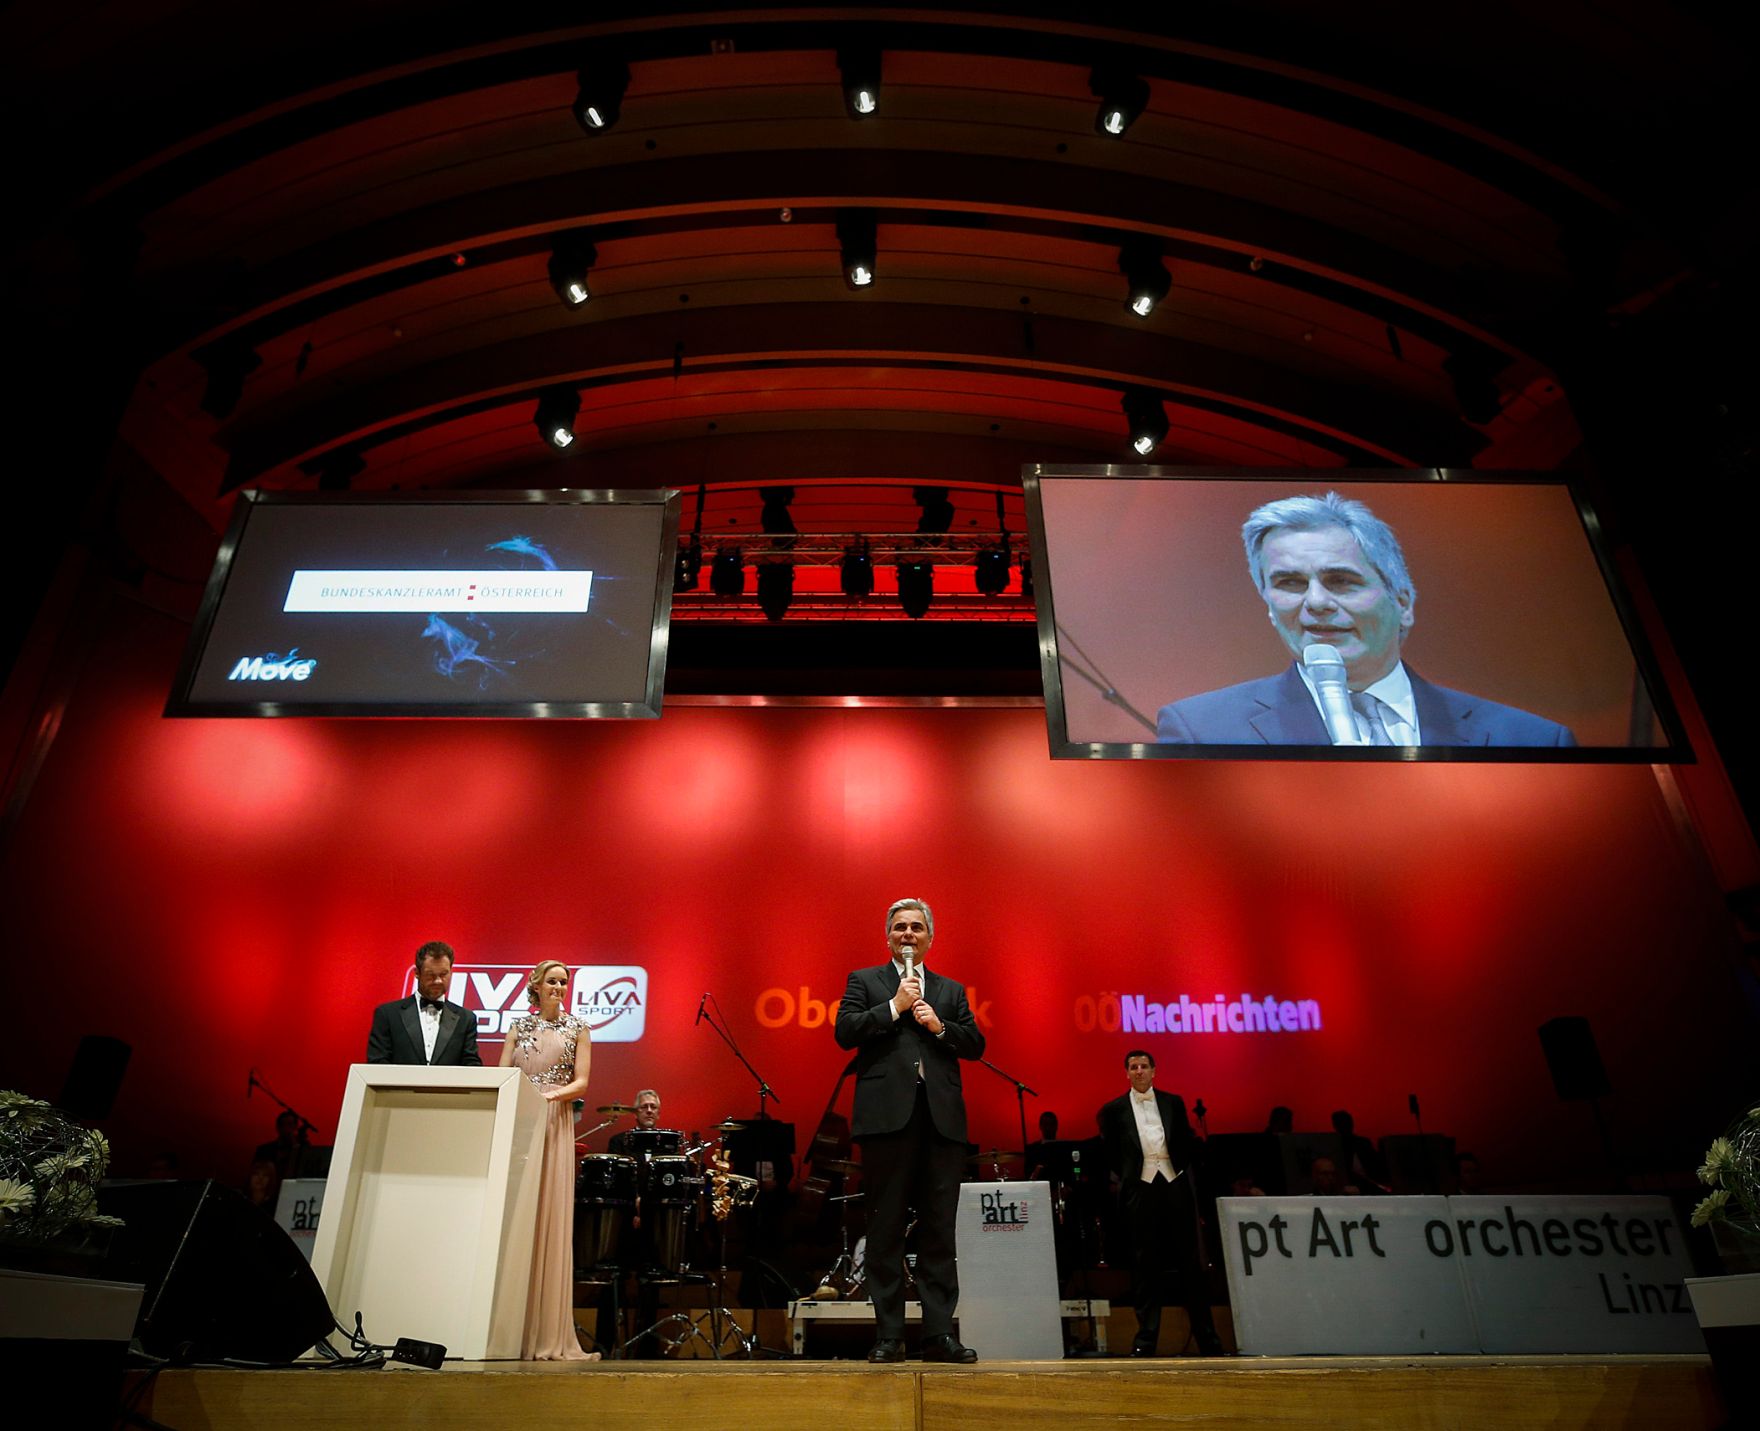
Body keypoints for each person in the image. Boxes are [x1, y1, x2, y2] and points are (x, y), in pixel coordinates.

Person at [1155, 491, 1577, 747]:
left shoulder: (1530, 738)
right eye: (1290, 583)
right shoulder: (1201, 729)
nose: (1315, 602)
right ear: (1268, 605)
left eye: (1341, 581)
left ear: (1403, 603)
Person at [834, 897, 985, 1364]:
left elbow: (975, 1044)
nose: (908, 934)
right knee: (885, 1230)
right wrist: (894, 1007)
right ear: (888, 937)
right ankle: (890, 1336)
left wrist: (939, 1027)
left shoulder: (950, 990)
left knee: (939, 1231)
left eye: (916, 927)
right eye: (900, 927)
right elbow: (845, 1031)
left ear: (930, 938)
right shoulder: (865, 981)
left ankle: (939, 1334)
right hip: (886, 1121)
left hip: (941, 1123)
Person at [499, 960, 597, 1361]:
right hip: (520, 1123)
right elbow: (502, 1075)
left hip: (554, 1122)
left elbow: (581, 1082)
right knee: (514, 1212)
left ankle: (546, 1332)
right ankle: (507, 1329)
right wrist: (522, 1102)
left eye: (563, 982)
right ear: (536, 985)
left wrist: (547, 1097)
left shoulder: (579, 1028)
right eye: (552, 981)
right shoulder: (517, 1027)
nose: (558, 987)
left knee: (549, 1213)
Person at [1097, 1050, 1224, 1356]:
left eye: (1144, 1066)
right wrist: (1131, 1175)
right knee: (1145, 1264)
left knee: (1189, 1262)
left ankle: (1208, 1339)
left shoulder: (1173, 1102)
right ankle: (1146, 1341)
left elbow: (1186, 1139)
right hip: (1140, 1189)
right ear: (1126, 1073)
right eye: (1133, 1067)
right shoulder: (1113, 1110)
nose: (1139, 1071)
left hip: (1173, 1183)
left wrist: (1177, 1168)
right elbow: (1111, 1152)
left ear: (1154, 1071)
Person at [365, 940, 482, 1066]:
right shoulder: (388, 1015)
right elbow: (377, 1064)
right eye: (430, 975)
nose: (438, 981)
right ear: (417, 973)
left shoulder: (466, 1019)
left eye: (443, 974)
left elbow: (471, 1066)